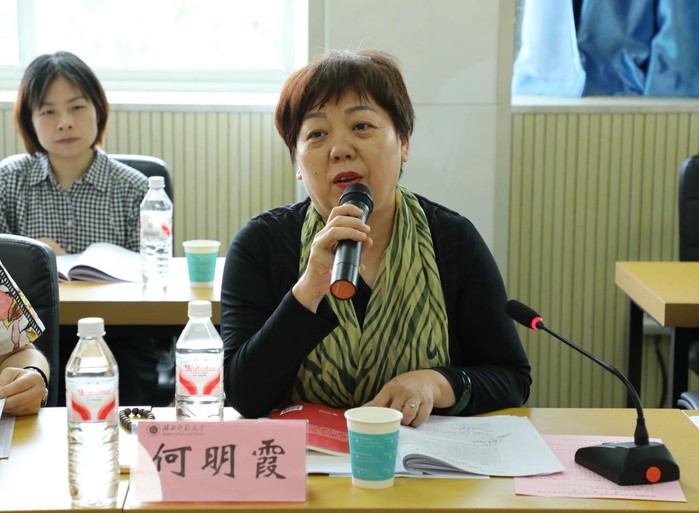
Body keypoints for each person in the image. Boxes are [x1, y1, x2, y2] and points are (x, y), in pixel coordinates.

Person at [221, 49, 531, 427]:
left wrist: (435, 383)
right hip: (309, 461)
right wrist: (308, 291)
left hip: (419, 457)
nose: (340, 149)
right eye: (317, 134)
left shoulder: (452, 239)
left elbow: (511, 379)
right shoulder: (261, 244)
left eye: (361, 126)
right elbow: (244, 396)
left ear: (404, 144)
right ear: (298, 164)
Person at [0, 51, 158, 405]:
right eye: (48, 112)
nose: (64, 122)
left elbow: (153, 277)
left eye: (76, 107)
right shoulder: (7, 181)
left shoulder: (135, 187)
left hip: (121, 334)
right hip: (31, 338)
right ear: (29, 121)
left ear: (98, 109)